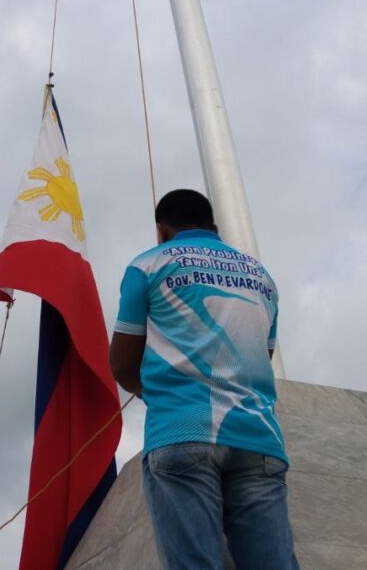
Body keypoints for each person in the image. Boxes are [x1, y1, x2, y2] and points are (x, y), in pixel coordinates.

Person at [109, 189, 298, 569]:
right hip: (259, 438)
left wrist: (153, 391)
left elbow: (122, 364)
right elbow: (262, 357)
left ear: (162, 230)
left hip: (182, 429)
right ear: (214, 227)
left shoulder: (148, 265)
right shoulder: (261, 277)